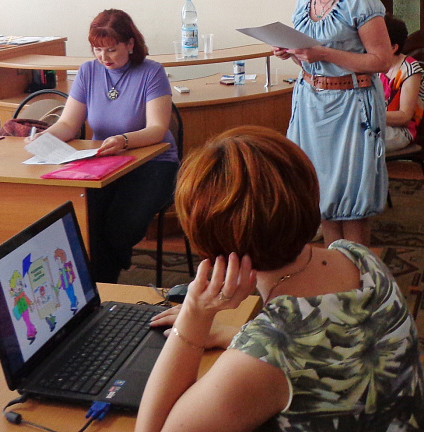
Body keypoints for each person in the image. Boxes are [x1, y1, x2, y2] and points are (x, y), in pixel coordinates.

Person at [136, 125, 424, 432]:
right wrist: (231, 335)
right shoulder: (359, 257)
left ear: (208, 241)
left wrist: (194, 316)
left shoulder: (265, 358)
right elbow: (327, 347)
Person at [29, 9, 179, 283]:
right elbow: (68, 124)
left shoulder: (151, 72)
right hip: (105, 162)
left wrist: (124, 140)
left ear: (130, 44)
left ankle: (102, 281)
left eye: (111, 49)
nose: (103, 57)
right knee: (86, 219)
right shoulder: (88, 72)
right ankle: (101, 282)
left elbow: (158, 129)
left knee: (120, 227)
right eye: (97, 50)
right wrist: (44, 137)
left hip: (153, 162)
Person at [273, 0, 393, 247]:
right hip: (311, 101)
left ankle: (356, 270)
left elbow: (381, 61)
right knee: (319, 190)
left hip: (351, 103)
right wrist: (292, 52)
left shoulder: (361, 0)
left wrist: (322, 52)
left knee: (351, 194)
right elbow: (310, 59)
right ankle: (334, 266)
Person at [380, 13, 424, 152]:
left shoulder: (410, 69)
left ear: (393, 47)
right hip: (376, 125)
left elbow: (404, 116)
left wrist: (368, 116)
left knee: (354, 139)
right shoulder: (376, 66)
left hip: (400, 132)